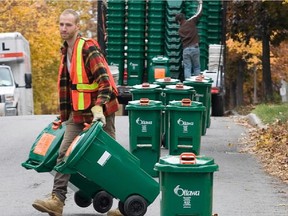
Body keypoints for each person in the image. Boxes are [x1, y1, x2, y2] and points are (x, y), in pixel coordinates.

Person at [32, 9, 122, 216]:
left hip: (101, 113)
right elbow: (69, 88)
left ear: (77, 27)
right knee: (64, 154)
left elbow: (105, 83)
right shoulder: (65, 51)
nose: (64, 28)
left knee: (108, 158)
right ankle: (57, 201)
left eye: (68, 25)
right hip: (78, 114)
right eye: (61, 24)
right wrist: (64, 117)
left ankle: (124, 200)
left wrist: (99, 106)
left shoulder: (87, 48)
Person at [175, 0, 203, 79]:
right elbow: (199, 13)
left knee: (187, 68)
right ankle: (197, 84)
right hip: (195, 48)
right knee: (196, 67)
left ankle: (188, 84)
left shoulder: (180, 30)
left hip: (186, 50)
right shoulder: (191, 22)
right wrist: (200, 3)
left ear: (178, 21)